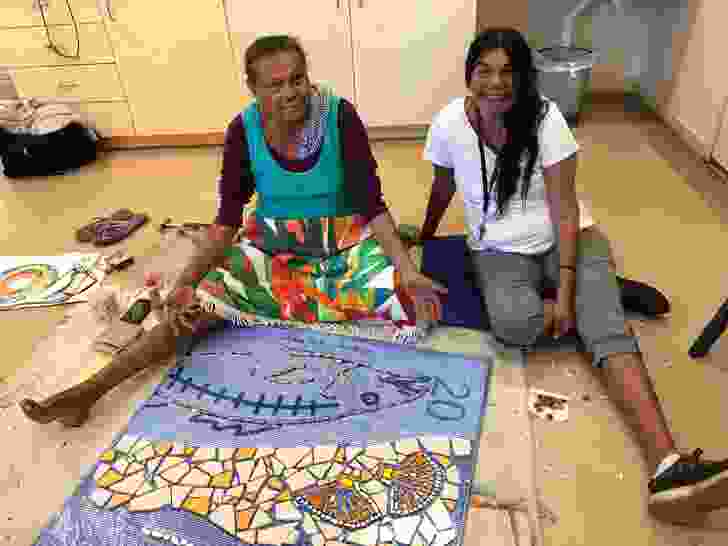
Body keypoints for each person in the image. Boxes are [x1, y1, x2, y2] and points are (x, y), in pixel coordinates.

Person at [19, 35, 446, 425]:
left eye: (297, 80)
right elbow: (226, 220)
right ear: (253, 88)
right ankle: (87, 392)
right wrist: (185, 283)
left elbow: (371, 203)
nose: (290, 93)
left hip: (343, 250)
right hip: (274, 255)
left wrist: (406, 268)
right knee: (190, 309)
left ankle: (331, 305)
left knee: (417, 303)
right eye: (274, 85)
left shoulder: (338, 116)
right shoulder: (243, 130)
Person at [418, 27, 728, 522]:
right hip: (499, 250)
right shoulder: (449, 123)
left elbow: (565, 210)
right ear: (468, 76)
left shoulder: (546, 120)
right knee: (514, 326)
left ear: (523, 78)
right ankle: (602, 294)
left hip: (568, 240)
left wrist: (564, 294)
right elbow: (442, 184)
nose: (496, 83)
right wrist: (428, 235)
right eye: (484, 71)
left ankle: (668, 467)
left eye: (508, 72)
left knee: (603, 328)